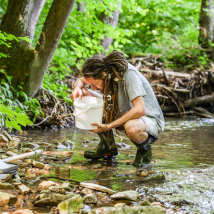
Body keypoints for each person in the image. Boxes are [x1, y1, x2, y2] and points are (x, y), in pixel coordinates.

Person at [71, 50, 164, 170]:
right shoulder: (104, 74)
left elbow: (140, 110)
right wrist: (77, 88)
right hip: (122, 111)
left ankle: (144, 150)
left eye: (94, 84)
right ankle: (107, 147)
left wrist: (108, 126)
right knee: (83, 93)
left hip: (148, 119)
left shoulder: (128, 74)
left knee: (131, 127)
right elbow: (80, 81)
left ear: (104, 74)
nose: (93, 88)